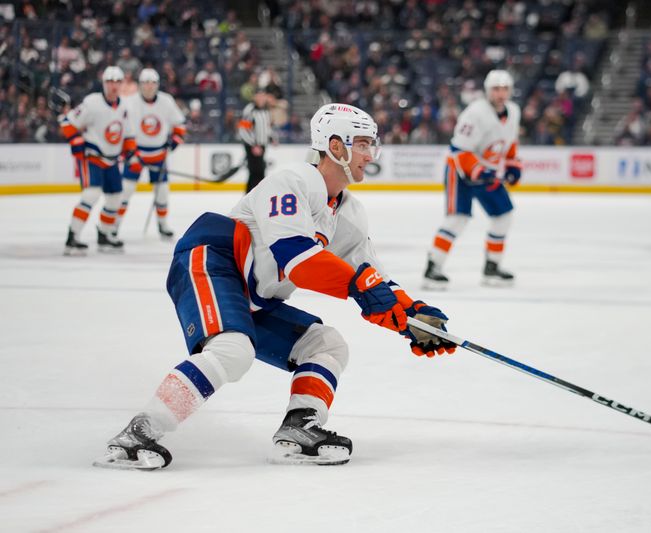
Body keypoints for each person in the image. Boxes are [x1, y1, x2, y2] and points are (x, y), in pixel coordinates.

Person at [94, 103, 456, 469]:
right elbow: (297, 259)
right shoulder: (293, 181)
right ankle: (137, 434)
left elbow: (374, 280)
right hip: (212, 260)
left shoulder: (349, 214)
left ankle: (299, 429)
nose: (370, 154)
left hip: (254, 293)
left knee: (327, 344)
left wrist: (412, 316)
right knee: (234, 350)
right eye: (361, 144)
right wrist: (364, 288)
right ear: (335, 146)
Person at [423, 70, 522, 289]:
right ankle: (433, 267)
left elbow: (510, 143)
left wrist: (513, 165)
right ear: (488, 91)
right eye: (496, 89)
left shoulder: (513, 111)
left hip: (486, 172)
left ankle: (492, 267)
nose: (501, 94)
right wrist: (480, 171)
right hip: (460, 171)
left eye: (505, 89)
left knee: (503, 216)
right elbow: (459, 150)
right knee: (457, 219)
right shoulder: (475, 113)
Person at [61, 66, 135, 255]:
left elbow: (126, 134)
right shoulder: (92, 102)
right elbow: (68, 122)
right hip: (92, 158)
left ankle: (105, 234)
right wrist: (77, 143)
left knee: (115, 198)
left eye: (117, 82)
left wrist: (130, 151)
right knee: (91, 195)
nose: (114, 86)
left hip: (111, 161)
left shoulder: (124, 106)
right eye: (110, 82)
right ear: (104, 83)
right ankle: (73, 236)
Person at [115, 68, 186, 239]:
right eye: (145, 83)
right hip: (136, 155)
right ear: (139, 84)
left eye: (152, 83)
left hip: (158, 155)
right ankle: (113, 226)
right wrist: (126, 150)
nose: (149, 86)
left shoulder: (166, 101)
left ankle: (163, 225)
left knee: (162, 192)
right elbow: (119, 124)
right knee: (125, 192)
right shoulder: (128, 101)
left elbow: (180, 124)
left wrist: (174, 141)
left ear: (157, 85)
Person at [238, 85, 274, 193]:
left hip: (262, 146)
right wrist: (253, 145)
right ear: (254, 97)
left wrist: (271, 138)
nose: (261, 98)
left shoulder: (266, 110)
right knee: (256, 173)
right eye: (259, 96)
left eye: (263, 96)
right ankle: (252, 198)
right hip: (253, 146)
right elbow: (243, 130)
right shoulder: (250, 110)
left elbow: (266, 127)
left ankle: (252, 198)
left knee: (258, 173)